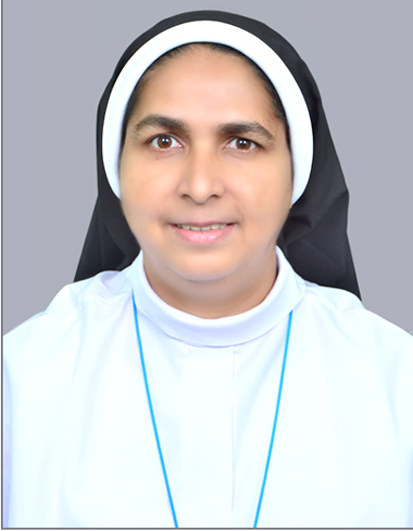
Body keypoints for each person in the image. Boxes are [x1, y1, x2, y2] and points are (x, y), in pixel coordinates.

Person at [3, 10, 412, 528]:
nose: (199, 186)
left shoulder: (396, 384)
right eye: (164, 141)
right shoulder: (21, 380)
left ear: (298, 171)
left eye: (242, 142)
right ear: (116, 167)